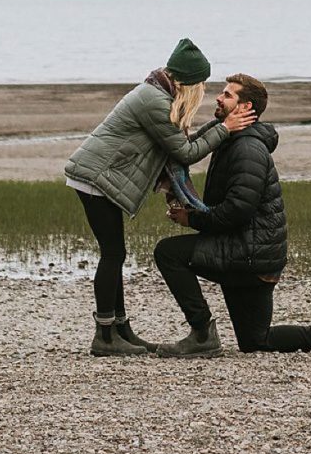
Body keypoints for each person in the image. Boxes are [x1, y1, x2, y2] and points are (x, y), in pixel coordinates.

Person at [152, 73, 311, 358]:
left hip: (249, 256)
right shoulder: (231, 138)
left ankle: (201, 335)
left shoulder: (247, 149)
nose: (218, 98)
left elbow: (238, 210)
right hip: (255, 254)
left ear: (246, 107)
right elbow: (187, 149)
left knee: (168, 253)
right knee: (255, 341)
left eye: (227, 95)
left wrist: (192, 219)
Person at [64, 38, 256, 357]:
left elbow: (181, 144)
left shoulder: (158, 93)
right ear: (190, 80)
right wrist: (225, 129)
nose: (204, 91)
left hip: (100, 175)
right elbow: (184, 151)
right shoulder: (154, 101)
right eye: (202, 83)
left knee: (116, 253)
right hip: (94, 177)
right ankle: (105, 337)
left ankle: (121, 331)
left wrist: (221, 126)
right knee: (113, 254)